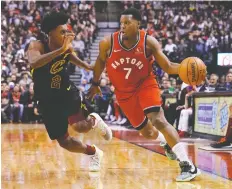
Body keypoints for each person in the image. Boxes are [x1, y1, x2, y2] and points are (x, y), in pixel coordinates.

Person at [87, 8, 201, 181]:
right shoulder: (107, 43)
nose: (123, 26)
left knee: (158, 120)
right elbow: (100, 63)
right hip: (124, 92)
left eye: (127, 23)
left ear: (138, 24)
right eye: (121, 23)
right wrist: (95, 84)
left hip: (145, 85)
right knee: (147, 132)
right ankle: (165, 142)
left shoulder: (149, 43)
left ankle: (187, 165)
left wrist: (189, 68)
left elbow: (169, 66)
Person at [26, 10, 112, 172]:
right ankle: (94, 152)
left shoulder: (66, 48)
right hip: (46, 100)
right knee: (64, 142)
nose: (66, 34)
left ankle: (94, 120)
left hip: (66, 92)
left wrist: (87, 67)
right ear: (50, 33)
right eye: (62, 32)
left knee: (80, 127)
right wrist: (61, 50)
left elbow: (71, 57)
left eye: (67, 31)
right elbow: (34, 62)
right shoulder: (36, 45)